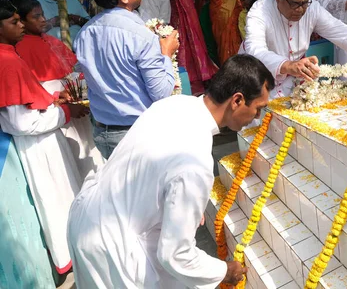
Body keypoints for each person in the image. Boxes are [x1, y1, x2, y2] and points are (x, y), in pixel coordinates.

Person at [67, 54, 269, 289]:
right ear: (237, 100)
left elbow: (155, 173)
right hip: (111, 245)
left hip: (90, 217)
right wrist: (223, 271)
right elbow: (176, 254)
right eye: (257, 109)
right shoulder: (195, 162)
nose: (257, 118)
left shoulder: (172, 104)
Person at [0, 0, 88, 275]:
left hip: (44, 135)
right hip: (38, 143)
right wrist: (65, 112)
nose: (21, 25)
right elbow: (20, 121)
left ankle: (76, 250)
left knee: (64, 194)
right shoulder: (7, 61)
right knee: (57, 198)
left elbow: (28, 100)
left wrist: (52, 98)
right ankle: (71, 255)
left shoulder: (9, 55)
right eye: (14, 22)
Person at [74, 0, 179, 159]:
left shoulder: (85, 34)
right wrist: (166, 52)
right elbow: (161, 92)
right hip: (139, 135)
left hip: (105, 133)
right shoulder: (139, 35)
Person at [12, 0, 104, 177]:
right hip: (56, 109)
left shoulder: (51, 39)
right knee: (72, 160)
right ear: (21, 21)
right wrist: (59, 97)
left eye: (42, 15)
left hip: (74, 99)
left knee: (90, 151)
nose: (43, 19)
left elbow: (74, 67)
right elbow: (35, 90)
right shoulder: (20, 48)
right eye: (36, 17)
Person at [164, 0, 218, 93]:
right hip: (193, 16)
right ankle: (197, 85)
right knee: (193, 50)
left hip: (177, 19)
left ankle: (185, 87)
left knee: (181, 53)